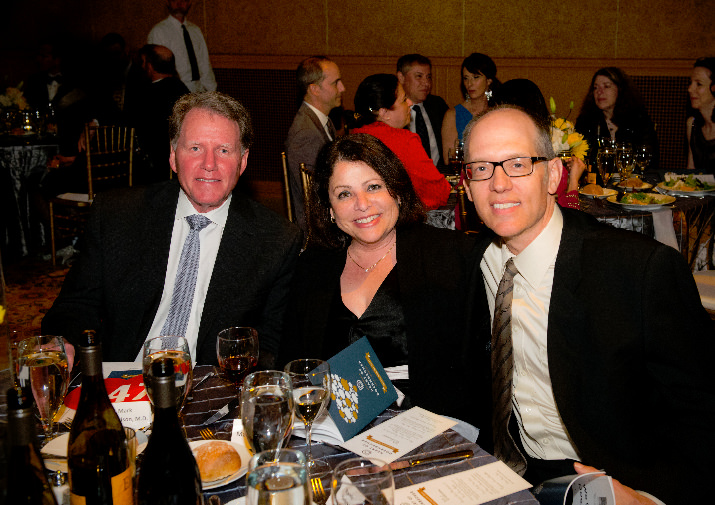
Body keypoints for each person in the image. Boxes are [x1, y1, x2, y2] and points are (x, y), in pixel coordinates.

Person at [462, 105, 713, 504]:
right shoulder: (476, 261)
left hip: (617, 480)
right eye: (481, 168)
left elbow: (701, 413)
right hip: (508, 474)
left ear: (554, 176)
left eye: (517, 164)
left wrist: (649, 498)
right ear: (467, 183)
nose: (498, 183)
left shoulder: (640, 272)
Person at [42, 91, 302, 367]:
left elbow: (272, 344)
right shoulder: (117, 215)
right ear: (172, 155)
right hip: (123, 384)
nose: (209, 164)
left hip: (209, 394)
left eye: (224, 150)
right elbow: (75, 304)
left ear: (243, 161)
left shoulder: (276, 240)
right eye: (195, 148)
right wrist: (65, 342)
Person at [280, 133, 477, 418]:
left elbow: (476, 373)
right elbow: (293, 366)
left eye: (373, 187)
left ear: (396, 191)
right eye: (344, 194)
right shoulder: (312, 268)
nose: (362, 204)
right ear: (330, 209)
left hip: (430, 429)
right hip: (336, 429)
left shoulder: (450, 257)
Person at [351, 74, 451, 210]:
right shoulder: (404, 141)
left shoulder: (353, 137)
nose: (410, 103)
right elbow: (438, 192)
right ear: (384, 112)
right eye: (404, 100)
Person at [493, 78, 584, 210]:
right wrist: (574, 180)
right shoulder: (541, 165)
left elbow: (461, 218)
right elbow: (570, 219)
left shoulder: (478, 156)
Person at [285, 56, 345, 231]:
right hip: (319, 230)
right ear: (315, 89)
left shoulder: (323, 122)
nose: (342, 88)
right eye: (336, 83)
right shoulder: (306, 133)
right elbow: (315, 195)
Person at [575, 67, 659, 170]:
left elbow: (649, 160)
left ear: (620, 89)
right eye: (595, 87)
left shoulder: (639, 121)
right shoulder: (586, 122)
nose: (599, 92)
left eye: (606, 86)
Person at [130, 44, 189, 185]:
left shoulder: (146, 95)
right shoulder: (183, 90)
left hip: (153, 170)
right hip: (180, 166)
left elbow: (130, 123)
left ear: (149, 67)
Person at [148, 0, 217, 92]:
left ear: (189, 3)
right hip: (173, 91)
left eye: (183, 0)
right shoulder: (159, 32)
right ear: (168, 2)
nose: (179, 3)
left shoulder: (195, 30)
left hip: (198, 90)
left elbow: (205, 64)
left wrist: (212, 91)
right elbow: (155, 71)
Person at [441, 53, 499, 162]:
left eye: (475, 77)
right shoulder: (453, 114)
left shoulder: (498, 113)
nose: (469, 84)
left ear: (489, 81)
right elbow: (449, 158)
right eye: (466, 78)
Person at [397, 54, 448, 166]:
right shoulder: (393, 112)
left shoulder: (438, 106)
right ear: (401, 78)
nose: (426, 83)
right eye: (419, 76)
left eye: (428, 77)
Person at [686, 57, 715, 172]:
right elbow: (691, 171)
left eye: (699, 84)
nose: (690, 89)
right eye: (691, 83)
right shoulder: (692, 124)